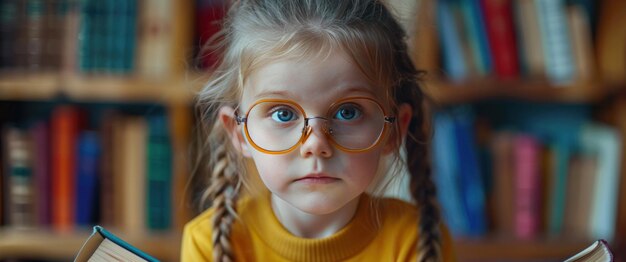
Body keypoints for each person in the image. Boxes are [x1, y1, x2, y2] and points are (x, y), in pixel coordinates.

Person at [182, 0, 455, 261]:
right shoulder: (206, 242)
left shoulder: (416, 240)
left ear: (393, 130)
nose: (315, 144)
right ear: (239, 133)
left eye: (348, 112)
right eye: (283, 114)